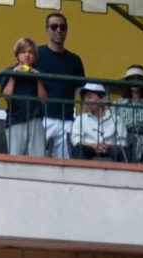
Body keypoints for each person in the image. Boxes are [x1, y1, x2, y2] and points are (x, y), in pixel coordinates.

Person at [33, 7, 86, 156]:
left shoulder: (75, 60)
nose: (58, 30)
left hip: (67, 119)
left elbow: (81, 91)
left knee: (64, 164)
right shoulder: (36, 54)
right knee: (35, 159)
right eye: (54, 26)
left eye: (62, 27)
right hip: (41, 117)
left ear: (67, 31)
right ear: (47, 30)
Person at [0, 35, 47, 156]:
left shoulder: (39, 73)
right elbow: (6, 96)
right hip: (15, 120)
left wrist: (38, 79)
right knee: (15, 157)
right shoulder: (8, 71)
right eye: (23, 52)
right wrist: (13, 76)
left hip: (35, 119)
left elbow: (43, 99)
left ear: (34, 56)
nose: (27, 55)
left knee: (38, 158)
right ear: (17, 54)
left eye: (30, 52)